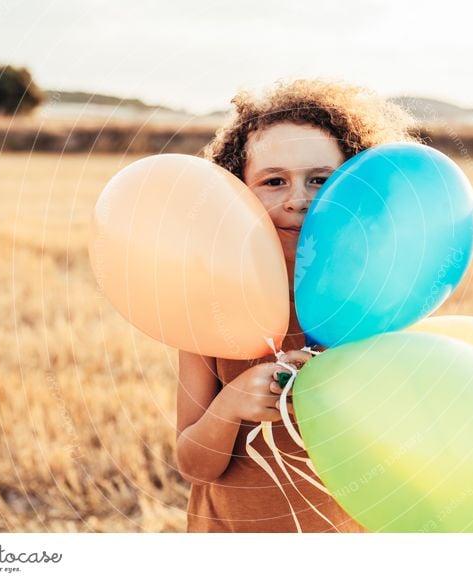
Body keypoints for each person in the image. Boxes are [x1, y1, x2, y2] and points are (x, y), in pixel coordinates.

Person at [175, 78, 421, 532]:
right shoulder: (210, 307)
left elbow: (409, 452)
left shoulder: (380, 302)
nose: (299, 200)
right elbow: (193, 464)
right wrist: (231, 404)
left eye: (321, 180)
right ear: (237, 192)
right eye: (273, 181)